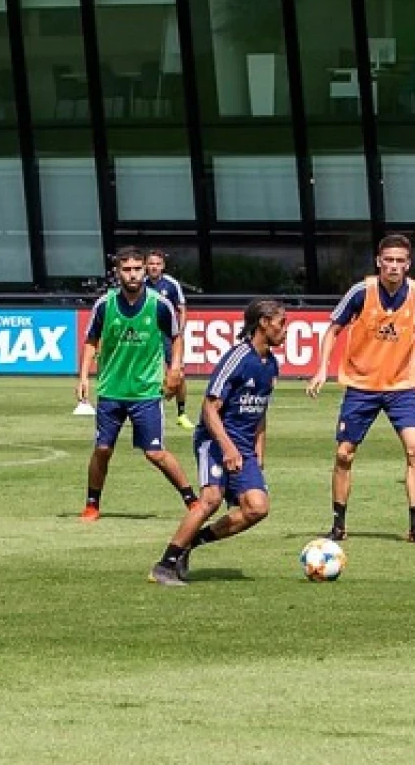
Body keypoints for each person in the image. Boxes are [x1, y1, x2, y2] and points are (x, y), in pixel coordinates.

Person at [307, 234, 415, 544]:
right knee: (344, 454)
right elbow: (333, 329)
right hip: (361, 385)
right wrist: (321, 368)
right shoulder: (361, 292)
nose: (393, 266)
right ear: (378, 262)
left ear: (408, 264)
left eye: (399, 261)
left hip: (401, 386)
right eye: (388, 260)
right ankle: (338, 525)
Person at [149, 299, 286, 586]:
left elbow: (260, 410)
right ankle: (164, 566)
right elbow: (209, 408)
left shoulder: (271, 365)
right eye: (281, 323)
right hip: (215, 440)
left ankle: (190, 544)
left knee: (257, 508)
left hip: (244, 447)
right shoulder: (237, 358)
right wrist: (227, 447)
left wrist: (259, 451)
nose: (285, 330)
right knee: (210, 499)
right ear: (263, 323)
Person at [77, 247, 200, 521]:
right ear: (117, 272)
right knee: (102, 449)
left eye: (137, 269)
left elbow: (176, 337)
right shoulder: (104, 304)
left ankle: (192, 500)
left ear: (145, 270)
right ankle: (92, 504)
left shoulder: (159, 304)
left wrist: (175, 370)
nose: (132, 275)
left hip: (146, 392)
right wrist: (84, 377)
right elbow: (90, 342)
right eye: (127, 269)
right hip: (111, 390)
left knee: (155, 453)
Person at [145, 250, 194, 430]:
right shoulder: (140, 284)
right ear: (146, 266)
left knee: (178, 373)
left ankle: (181, 413)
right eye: (151, 264)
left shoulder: (171, 284)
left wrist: (179, 332)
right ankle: (144, 412)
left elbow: (182, 308)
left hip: (167, 334)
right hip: (148, 335)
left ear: (162, 266)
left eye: (157, 264)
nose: (154, 267)